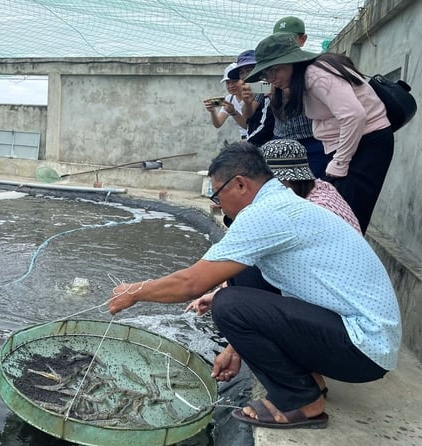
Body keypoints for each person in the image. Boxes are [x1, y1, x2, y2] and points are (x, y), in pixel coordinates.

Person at [109, 142, 401, 430]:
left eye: (217, 195)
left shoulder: (266, 213)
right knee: (241, 279)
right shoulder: (282, 203)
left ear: (239, 184)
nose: (217, 204)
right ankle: (308, 381)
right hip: (363, 339)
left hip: (363, 347)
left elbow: (191, 283)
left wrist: (134, 292)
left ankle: (302, 400)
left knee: (229, 304)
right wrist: (237, 348)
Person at [184, 138, 360, 312]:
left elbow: (194, 281)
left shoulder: (294, 211)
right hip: (333, 296)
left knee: (239, 283)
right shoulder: (322, 190)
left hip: (333, 306)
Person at [245, 33, 394, 232]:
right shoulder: (300, 80)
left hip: (367, 143)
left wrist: (340, 162)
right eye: (266, 74)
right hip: (350, 144)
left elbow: (353, 115)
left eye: (275, 70)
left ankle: (346, 258)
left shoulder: (315, 75)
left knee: (347, 216)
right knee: (334, 210)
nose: (272, 79)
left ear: (292, 61)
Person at [270, 17, 331, 178]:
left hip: (312, 140)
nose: (284, 43)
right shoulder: (272, 67)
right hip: (281, 139)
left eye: (289, 38)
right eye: (279, 39)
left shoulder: (312, 69)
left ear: (302, 39)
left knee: (311, 189)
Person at [227, 50, 274, 146]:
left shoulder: (273, 85)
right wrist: (247, 103)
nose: (244, 76)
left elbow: (265, 125)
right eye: (241, 72)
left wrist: (248, 144)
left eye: (249, 70)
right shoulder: (255, 90)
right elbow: (247, 115)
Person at [204, 62, 248, 140]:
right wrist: (212, 111)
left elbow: (248, 126)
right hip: (245, 140)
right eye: (228, 83)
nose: (231, 86)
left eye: (235, 81)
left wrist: (233, 112)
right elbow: (218, 124)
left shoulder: (253, 96)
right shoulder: (229, 99)